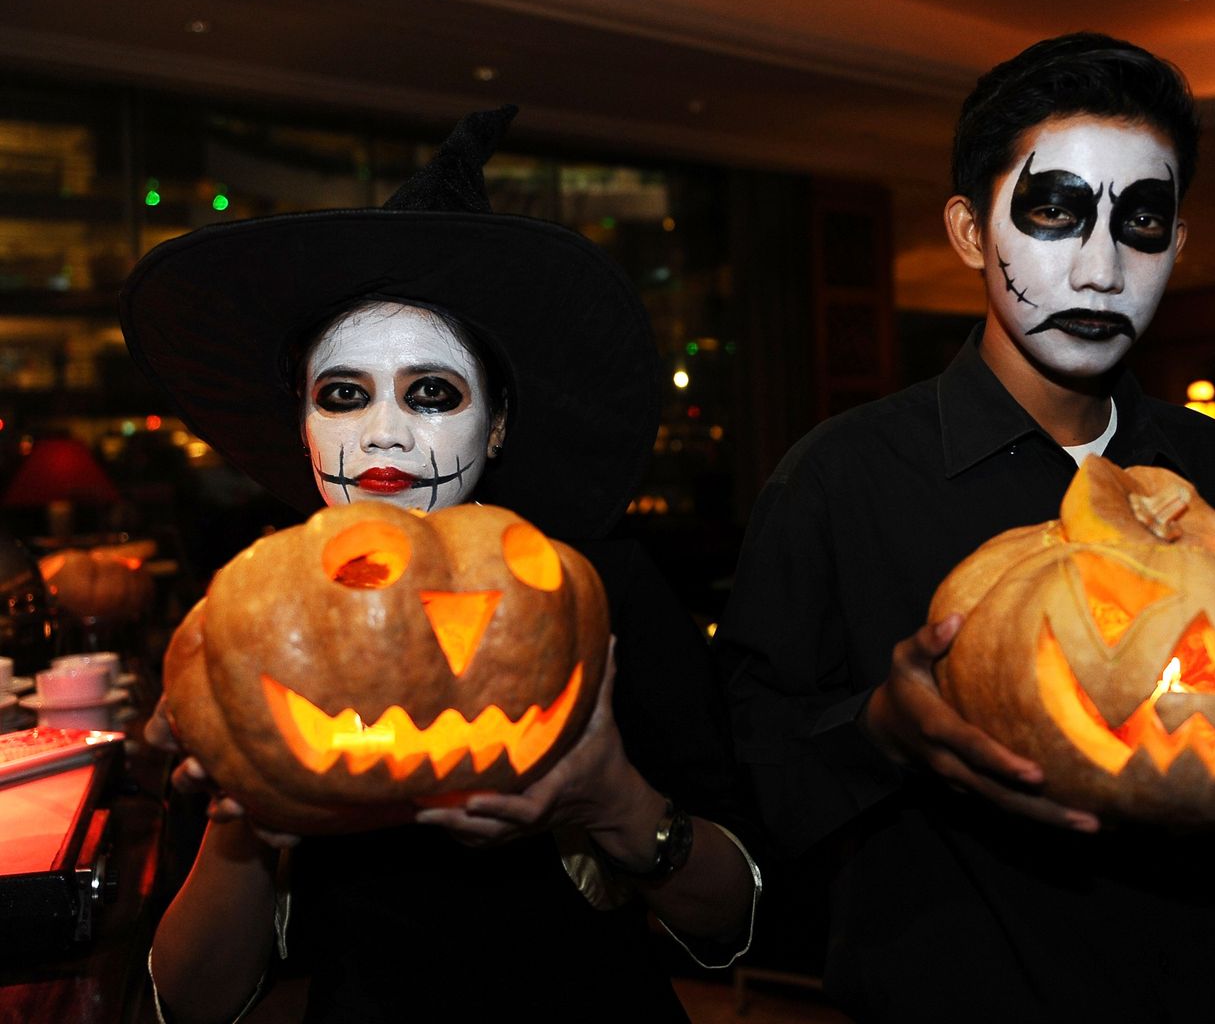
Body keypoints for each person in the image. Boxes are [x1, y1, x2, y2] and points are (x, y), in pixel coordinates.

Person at [714, 33, 1215, 1021]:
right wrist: (879, 727)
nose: (1099, 266)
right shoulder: (838, 477)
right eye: (1052, 210)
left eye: (1141, 222)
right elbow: (753, 768)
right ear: (967, 230)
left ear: (1176, 243)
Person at [120, 105, 759, 1023]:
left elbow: (731, 924)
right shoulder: (253, 615)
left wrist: (615, 803)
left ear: (493, 423)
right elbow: (193, 1003)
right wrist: (238, 829)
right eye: (343, 395)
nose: (383, 432)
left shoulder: (597, 589)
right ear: (303, 426)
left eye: (431, 392)